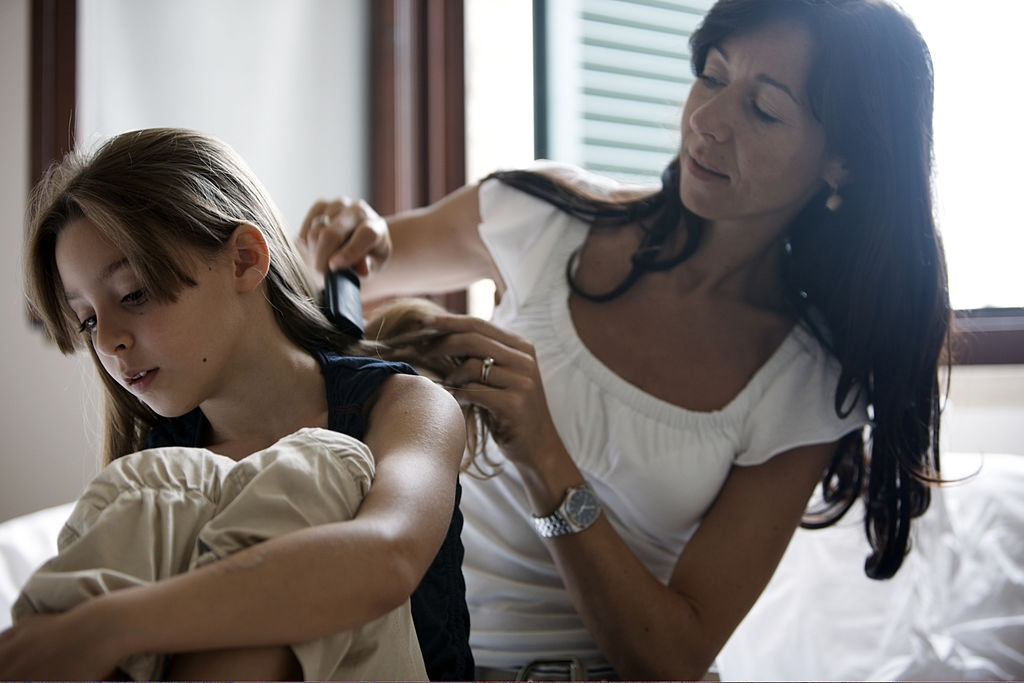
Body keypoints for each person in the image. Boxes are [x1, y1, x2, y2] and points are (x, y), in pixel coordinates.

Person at [297, 0, 951, 679]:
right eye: (711, 75)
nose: (707, 121)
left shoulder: (802, 382)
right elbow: (337, 272)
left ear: (840, 162)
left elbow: (669, 659)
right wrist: (344, 231)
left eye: (762, 109)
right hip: (388, 652)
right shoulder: (543, 215)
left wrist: (544, 455)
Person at [1, 128, 473, 680]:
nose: (107, 341)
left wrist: (108, 626)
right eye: (87, 320)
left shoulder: (404, 406)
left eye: (134, 294)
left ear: (245, 260)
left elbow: (388, 556)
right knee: (148, 490)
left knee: (314, 468)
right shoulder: (155, 476)